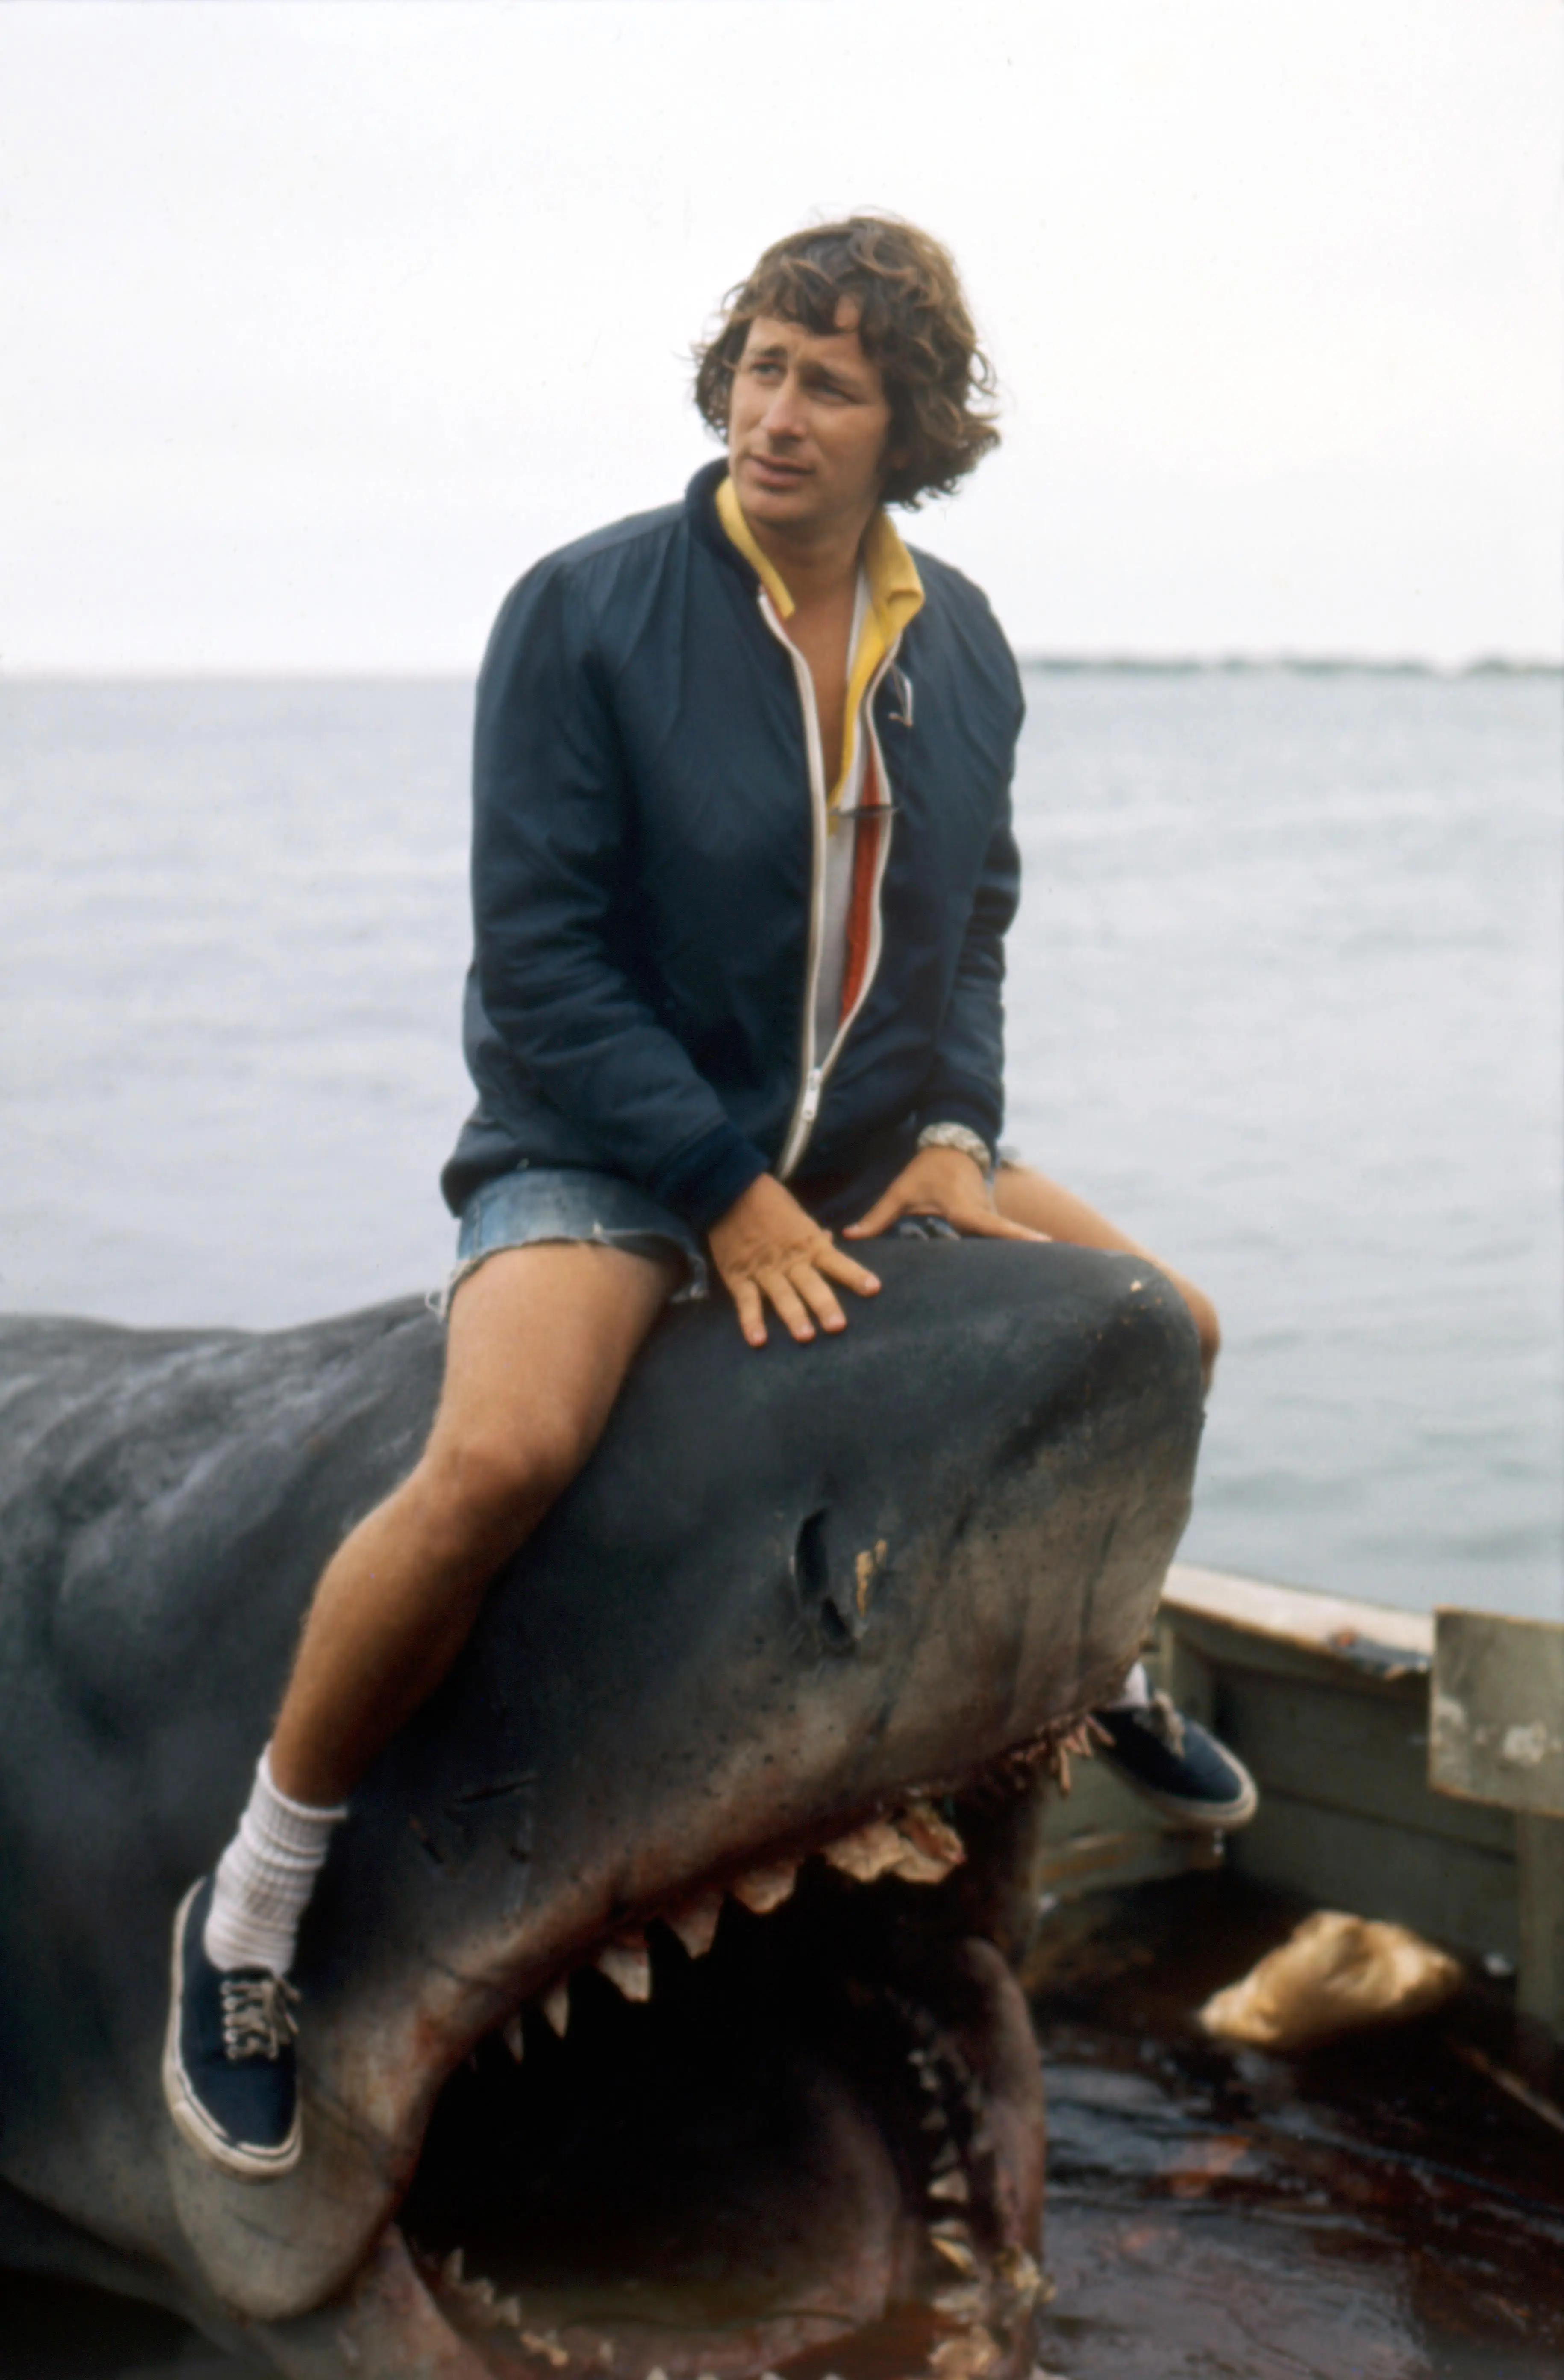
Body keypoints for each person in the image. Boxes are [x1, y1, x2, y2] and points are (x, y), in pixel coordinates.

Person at [162, 215, 1255, 2184]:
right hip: (604, 1144)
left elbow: (972, 927)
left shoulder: (959, 642)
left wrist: (957, 1131)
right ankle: (250, 1908)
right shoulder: (587, 612)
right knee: (499, 1461)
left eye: (830, 383)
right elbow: (542, 968)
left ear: (907, 424)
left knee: (1166, 1330)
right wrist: (724, 1190)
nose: (778, 412)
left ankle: (1099, 1667)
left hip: (869, 1143)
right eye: (761, 365)